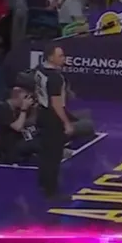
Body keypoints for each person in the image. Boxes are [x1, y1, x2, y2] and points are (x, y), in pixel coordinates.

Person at [32, 45, 72, 199]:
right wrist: (66, 122)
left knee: (45, 152)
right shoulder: (55, 78)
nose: (64, 58)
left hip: (42, 112)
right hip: (52, 117)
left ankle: (43, 183)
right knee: (54, 155)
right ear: (50, 57)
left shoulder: (40, 70)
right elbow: (56, 104)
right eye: (60, 56)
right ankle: (52, 191)